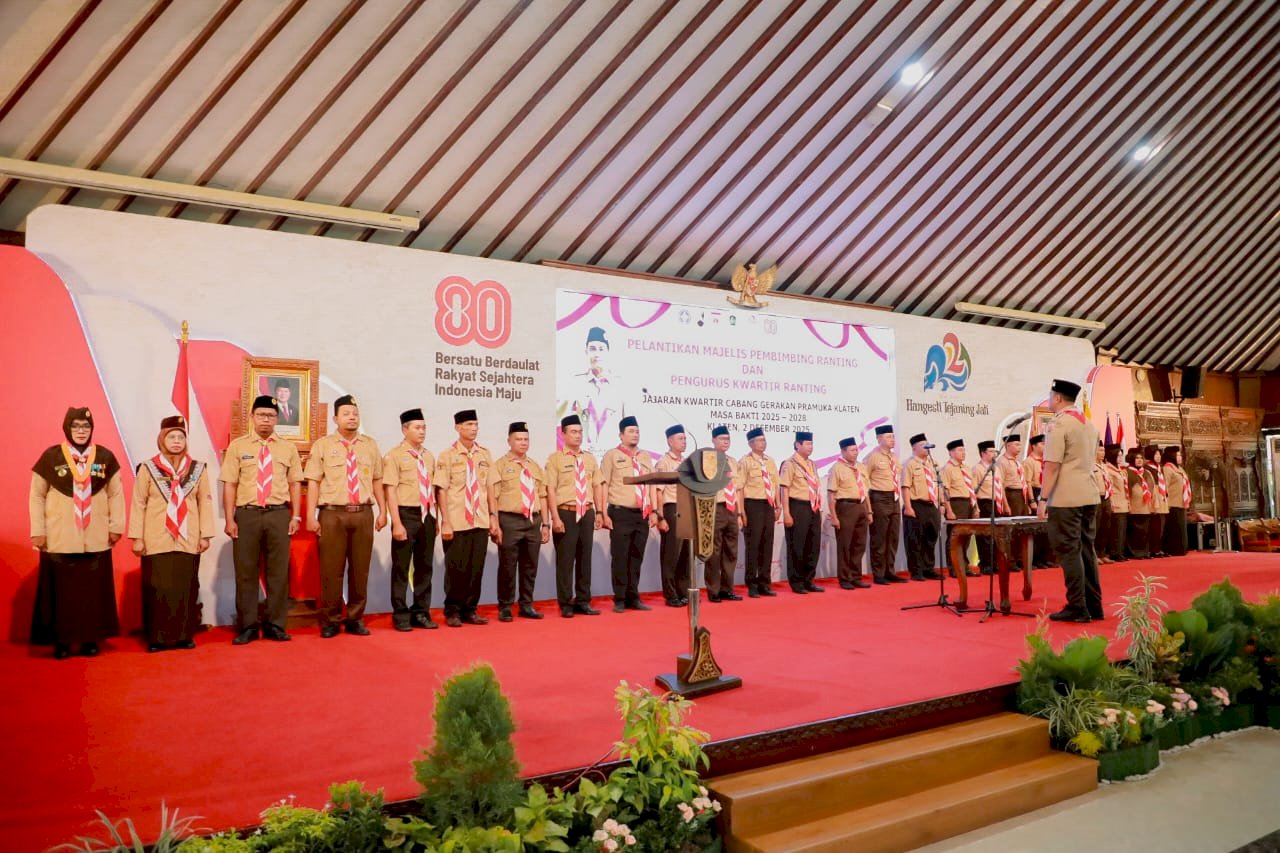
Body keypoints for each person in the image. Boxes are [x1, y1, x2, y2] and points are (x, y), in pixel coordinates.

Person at [29, 407, 124, 659]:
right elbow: (37, 496)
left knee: (92, 594)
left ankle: (90, 639)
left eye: (86, 426)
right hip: (60, 537)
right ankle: (61, 642)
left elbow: (116, 494)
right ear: (67, 428)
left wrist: (116, 526)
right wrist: (38, 531)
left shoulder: (105, 457)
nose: (81, 431)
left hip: (95, 537)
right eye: (76, 426)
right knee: (62, 596)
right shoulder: (50, 457)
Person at [220, 395, 303, 644]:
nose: (266, 419)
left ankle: (275, 624)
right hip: (248, 514)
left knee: (278, 572)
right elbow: (230, 484)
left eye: (271, 415)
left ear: (277, 419)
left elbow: (295, 483)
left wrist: (295, 515)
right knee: (246, 572)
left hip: (278, 514)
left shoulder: (287, 448)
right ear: (252, 417)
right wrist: (229, 519)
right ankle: (247, 625)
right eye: (261, 415)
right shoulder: (238, 446)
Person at [129, 416, 213, 652]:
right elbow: (138, 503)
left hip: (188, 537)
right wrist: (137, 537)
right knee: (158, 589)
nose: (176, 441)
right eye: (171, 437)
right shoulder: (148, 468)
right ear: (162, 440)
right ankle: (157, 638)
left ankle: (184, 635)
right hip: (156, 537)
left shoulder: (197, 469)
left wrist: (205, 535)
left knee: (186, 587)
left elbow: (205, 502)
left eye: (181, 437)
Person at [305, 394, 386, 637]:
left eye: (355, 414)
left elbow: (378, 480)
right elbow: (313, 481)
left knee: (360, 571)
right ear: (335, 418)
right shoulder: (323, 445)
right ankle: (330, 619)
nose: (352, 418)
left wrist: (383, 511)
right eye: (346, 414)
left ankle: (354, 618)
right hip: (333, 514)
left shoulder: (370, 445)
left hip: (363, 513)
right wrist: (310, 515)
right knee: (331, 571)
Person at [1037, 379, 1101, 622]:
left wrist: (1043, 498)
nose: (1050, 399)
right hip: (1089, 494)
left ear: (1058, 398)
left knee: (1069, 551)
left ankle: (1077, 606)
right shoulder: (1088, 424)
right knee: (1087, 550)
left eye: (1051, 395)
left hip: (1066, 498)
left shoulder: (1058, 424)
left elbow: (1052, 466)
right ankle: (1094, 605)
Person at [435, 409, 493, 627]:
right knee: (456, 569)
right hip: (457, 520)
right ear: (457, 428)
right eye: (468, 424)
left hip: (480, 519)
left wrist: (493, 517)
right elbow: (441, 490)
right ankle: (453, 611)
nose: (473, 428)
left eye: (475, 424)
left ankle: (470, 610)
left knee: (476, 568)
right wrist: (445, 521)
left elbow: (490, 488)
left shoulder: (484, 454)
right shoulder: (447, 455)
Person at [382, 408, 439, 631]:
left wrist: (436, 518)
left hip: (427, 514)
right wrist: (396, 522)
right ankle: (400, 613)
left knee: (425, 567)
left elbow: (433, 490)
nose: (422, 431)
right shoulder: (394, 456)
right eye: (417, 427)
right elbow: (390, 491)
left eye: (424, 427)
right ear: (404, 430)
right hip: (406, 514)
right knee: (401, 568)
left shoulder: (429, 456)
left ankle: (421, 612)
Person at [489, 422, 549, 621]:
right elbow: (493, 497)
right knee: (507, 565)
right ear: (509, 441)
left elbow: (542, 496)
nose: (523, 443)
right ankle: (505, 606)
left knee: (530, 565)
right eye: (518, 439)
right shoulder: (500, 465)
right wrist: (494, 521)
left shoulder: (534, 466)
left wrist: (546, 524)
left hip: (533, 520)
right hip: (509, 520)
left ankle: (526, 604)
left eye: (526, 439)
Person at [545, 414, 602, 618]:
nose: (578, 435)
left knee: (585, 559)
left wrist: (600, 511)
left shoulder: (589, 458)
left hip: (587, 511)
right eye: (573, 432)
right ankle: (566, 602)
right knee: (566, 560)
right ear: (563, 434)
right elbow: (550, 489)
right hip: (566, 513)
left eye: (580, 432)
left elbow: (597, 485)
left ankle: (583, 601)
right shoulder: (555, 459)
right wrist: (555, 517)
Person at [599, 416, 657, 612]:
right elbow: (604, 484)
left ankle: (634, 596)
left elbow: (650, 484)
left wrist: (654, 510)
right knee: (620, 556)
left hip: (641, 514)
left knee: (636, 557)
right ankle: (620, 598)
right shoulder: (612, 455)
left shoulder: (645, 456)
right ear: (621, 435)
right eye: (631, 431)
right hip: (620, 513)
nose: (635, 434)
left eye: (637, 431)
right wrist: (603, 513)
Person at [566, 326, 630, 454]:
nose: (597, 354)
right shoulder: (575, 384)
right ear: (586, 352)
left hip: (613, 457)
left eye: (601, 349)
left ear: (608, 352)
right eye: (592, 349)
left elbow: (628, 427)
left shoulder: (621, 386)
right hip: (582, 455)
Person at [780, 430, 825, 593]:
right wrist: (786, 513)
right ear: (797, 445)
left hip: (813, 507)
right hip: (797, 506)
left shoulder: (812, 464)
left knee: (812, 545)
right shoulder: (789, 464)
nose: (810, 447)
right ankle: (797, 581)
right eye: (807, 444)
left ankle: (808, 580)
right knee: (797, 546)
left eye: (811, 444)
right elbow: (784, 489)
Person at [739, 427, 780, 597]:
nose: (763, 443)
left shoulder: (770, 461)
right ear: (751, 443)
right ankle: (752, 583)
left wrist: (778, 506)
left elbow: (775, 484)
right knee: (753, 545)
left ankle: (764, 582)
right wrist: (742, 511)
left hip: (768, 504)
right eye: (759, 440)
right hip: (752, 505)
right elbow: (740, 488)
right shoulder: (745, 461)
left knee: (767, 544)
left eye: (764, 440)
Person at [827, 437, 871, 590]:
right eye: (852, 450)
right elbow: (831, 494)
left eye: (856, 449)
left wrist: (869, 511)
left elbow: (865, 491)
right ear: (843, 452)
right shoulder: (837, 468)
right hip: (845, 507)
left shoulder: (861, 467)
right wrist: (834, 516)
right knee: (845, 545)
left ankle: (856, 577)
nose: (855, 452)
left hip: (861, 506)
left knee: (859, 544)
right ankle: (845, 578)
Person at [655, 424, 691, 607]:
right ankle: (671, 594)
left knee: (685, 554)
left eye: (685, 439)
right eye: (680, 438)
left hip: (686, 509)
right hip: (672, 508)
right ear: (670, 441)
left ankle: (683, 591)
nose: (684, 442)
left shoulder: (687, 463)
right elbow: (658, 491)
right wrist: (660, 517)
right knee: (671, 554)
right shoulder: (664, 463)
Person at [706, 425, 744, 601]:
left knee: (731, 550)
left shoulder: (733, 461)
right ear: (713, 440)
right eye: (722, 439)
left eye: (728, 439)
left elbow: (738, 489)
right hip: (717, 507)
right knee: (714, 551)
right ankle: (713, 590)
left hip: (731, 508)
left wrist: (739, 513)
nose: (725, 442)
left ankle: (727, 588)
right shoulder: (707, 460)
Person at [902, 433, 943, 582]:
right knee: (915, 540)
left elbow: (939, 486)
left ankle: (928, 568)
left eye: (927, 444)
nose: (926, 447)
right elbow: (905, 487)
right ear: (914, 448)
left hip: (932, 505)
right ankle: (916, 570)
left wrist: (941, 504)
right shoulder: (909, 464)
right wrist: (908, 507)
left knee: (930, 538)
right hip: (916, 505)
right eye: (922, 445)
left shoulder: (934, 464)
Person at [866, 424, 904, 584]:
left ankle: (890, 571)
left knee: (893, 537)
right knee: (879, 537)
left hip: (894, 497)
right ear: (879, 439)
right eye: (888, 437)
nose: (892, 439)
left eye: (893, 436)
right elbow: (865, 481)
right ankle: (879, 573)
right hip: (879, 497)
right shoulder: (872, 457)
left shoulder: (894, 457)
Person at [940, 439, 981, 578]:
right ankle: (954, 567)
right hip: (955, 504)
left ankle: (964, 565)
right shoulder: (947, 469)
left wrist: (975, 507)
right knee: (954, 538)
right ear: (951, 452)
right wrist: (949, 510)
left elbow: (972, 490)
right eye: (960, 450)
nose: (963, 453)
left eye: (964, 450)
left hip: (968, 503)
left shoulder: (966, 468)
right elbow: (945, 491)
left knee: (966, 537)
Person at [971, 439, 1005, 574]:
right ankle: (985, 564)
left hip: (997, 503)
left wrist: (1004, 504)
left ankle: (994, 563)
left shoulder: (996, 468)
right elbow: (973, 491)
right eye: (991, 451)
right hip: (984, 503)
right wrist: (976, 508)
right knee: (984, 535)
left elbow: (1000, 487)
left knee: (996, 536)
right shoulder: (977, 469)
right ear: (983, 453)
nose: (994, 454)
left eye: (995, 451)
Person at [1023, 434, 1054, 568]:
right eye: (1042, 444)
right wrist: (1031, 500)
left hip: (1046, 492)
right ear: (1034, 446)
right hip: (1036, 493)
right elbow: (1028, 483)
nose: (1045, 446)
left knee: (1046, 528)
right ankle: (1034, 559)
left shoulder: (1045, 461)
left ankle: (1044, 557)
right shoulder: (1029, 462)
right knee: (1036, 529)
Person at [1162, 445, 1191, 556]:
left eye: (1180, 455)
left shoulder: (1180, 468)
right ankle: (1173, 549)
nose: (1180, 457)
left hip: (1181, 502)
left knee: (1181, 528)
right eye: (1178, 455)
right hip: (1172, 503)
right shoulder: (1167, 468)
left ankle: (1182, 548)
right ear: (1172, 456)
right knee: (1175, 528)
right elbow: (1165, 486)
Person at [1103, 444, 1129, 562]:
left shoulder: (1120, 470)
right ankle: (1114, 552)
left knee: (1122, 530)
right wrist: (1112, 503)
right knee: (1116, 530)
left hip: (1123, 502)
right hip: (1115, 502)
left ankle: (1120, 551)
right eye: (1118, 456)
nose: (1120, 458)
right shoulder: (1108, 469)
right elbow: (1110, 488)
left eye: (1121, 456)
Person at [1125, 447, 1153, 558]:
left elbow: (1151, 488)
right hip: (1134, 507)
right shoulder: (1127, 472)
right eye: (1137, 458)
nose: (1140, 460)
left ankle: (1144, 552)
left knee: (1144, 532)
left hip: (1146, 506)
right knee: (1135, 532)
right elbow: (1126, 490)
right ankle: (1135, 553)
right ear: (1132, 459)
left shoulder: (1146, 472)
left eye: (1141, 458)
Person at [1144, 445, 1170, 558]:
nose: (1158, 456)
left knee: (1162, 525)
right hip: (1154, 497)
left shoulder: (1160, 468)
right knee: (1154, 525)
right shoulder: (1147, 468)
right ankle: (1153, 549)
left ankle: (1159, 548)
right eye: (1156, 454)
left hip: (1162, 497)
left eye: (1159, 454)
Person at [1092, 442, 1113, 565]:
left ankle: (1102, 553)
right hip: (1096, 498)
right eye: (1100, 450)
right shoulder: (1090, 466)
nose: (1102, 453)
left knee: (1105, 527)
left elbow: (1110, 483)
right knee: (1096, 527)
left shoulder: (1105, 466)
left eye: (1103, 450)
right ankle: (1094, 554)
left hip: (1106, 497)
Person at [996, 434, 1028, 515]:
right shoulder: (1002, 461)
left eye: (1020, 445)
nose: (1019, 447)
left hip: (1022, 495)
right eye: (1017, 445)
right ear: (1008, 445)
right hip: (1011, 495)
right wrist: (1005, 505)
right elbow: (1000, 484)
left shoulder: (1017, 462)